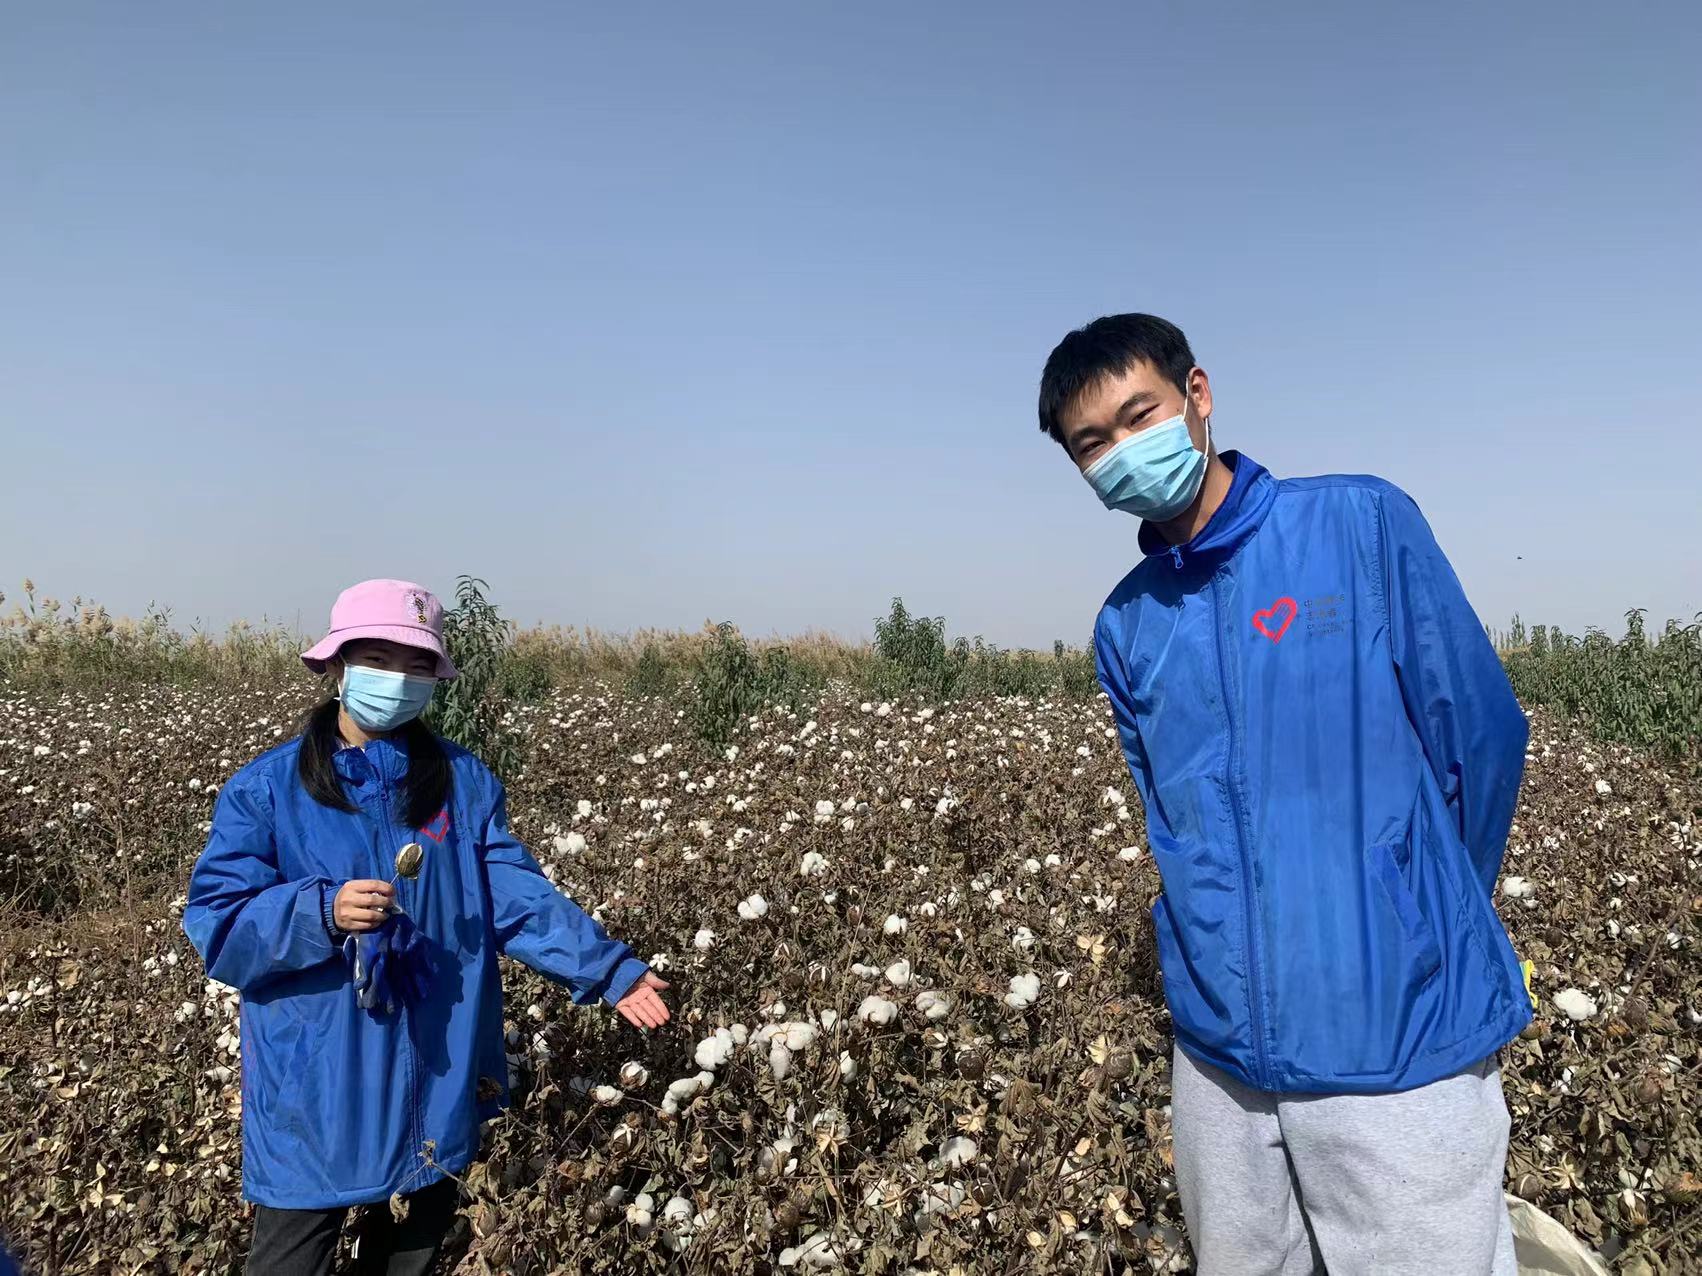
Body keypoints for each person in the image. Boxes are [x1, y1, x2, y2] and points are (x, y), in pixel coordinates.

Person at [1038, 315, 1530, 1275]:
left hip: (1394, 1035)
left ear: (1198, 395)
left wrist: (1416, 919)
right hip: (1220, 1058)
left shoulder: (1358, 525)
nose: (1122, 451)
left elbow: (1479, 736)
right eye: (1092, 443)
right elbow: (1169, 814)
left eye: (1138, 416)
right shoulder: (1128, 624)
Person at [184, 579, 671, 1275]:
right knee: (291, 1256)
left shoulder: (462, 783)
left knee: (412, 1246)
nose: (398, 680)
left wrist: (608, 969)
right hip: (320, 1081)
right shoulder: (267, 790)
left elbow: (514, 897)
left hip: (438, 1062)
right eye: (379, 660)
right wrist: (320, 912)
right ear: (337, 665)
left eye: (417, 665)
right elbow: (220, 924)